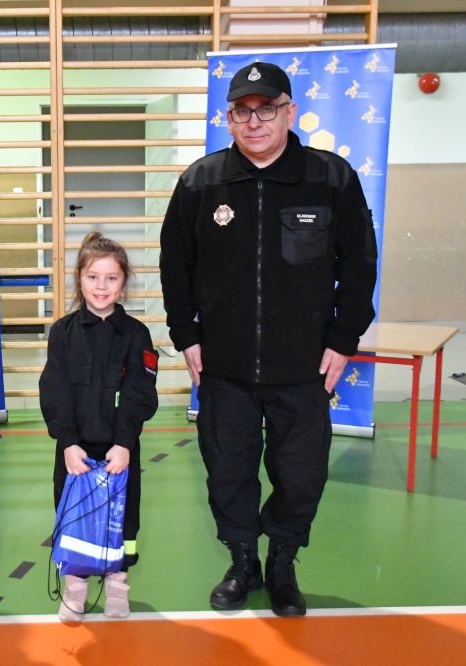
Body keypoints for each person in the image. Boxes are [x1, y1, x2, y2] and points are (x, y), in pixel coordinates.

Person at [159, 61, 377, 617]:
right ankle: (242, 562)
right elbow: (175, 265)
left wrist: (343, 337)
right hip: (224, 367)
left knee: (301, 476)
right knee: (227, 472)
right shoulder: (201, 182)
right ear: (229, 119)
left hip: (303, 367)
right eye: (241, 112)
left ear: (289, 112)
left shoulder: (330, 178)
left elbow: (359, 264)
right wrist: (186, 335)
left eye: (266, 109)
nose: (254, 122)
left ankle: (282, 562)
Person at [39, 231, 159, 621]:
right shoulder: (62, 333)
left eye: (111, 278)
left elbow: (140, 394)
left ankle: (117, 586)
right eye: (93, 277)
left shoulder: (137, 335)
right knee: (75, 520)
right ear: (79, 279)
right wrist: (68, 442)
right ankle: (75, 590)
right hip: (75, 452)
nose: (102, 286)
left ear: (123, 283)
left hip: (119, 452)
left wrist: (124, 443)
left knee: (121, 521)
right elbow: (54, 391)